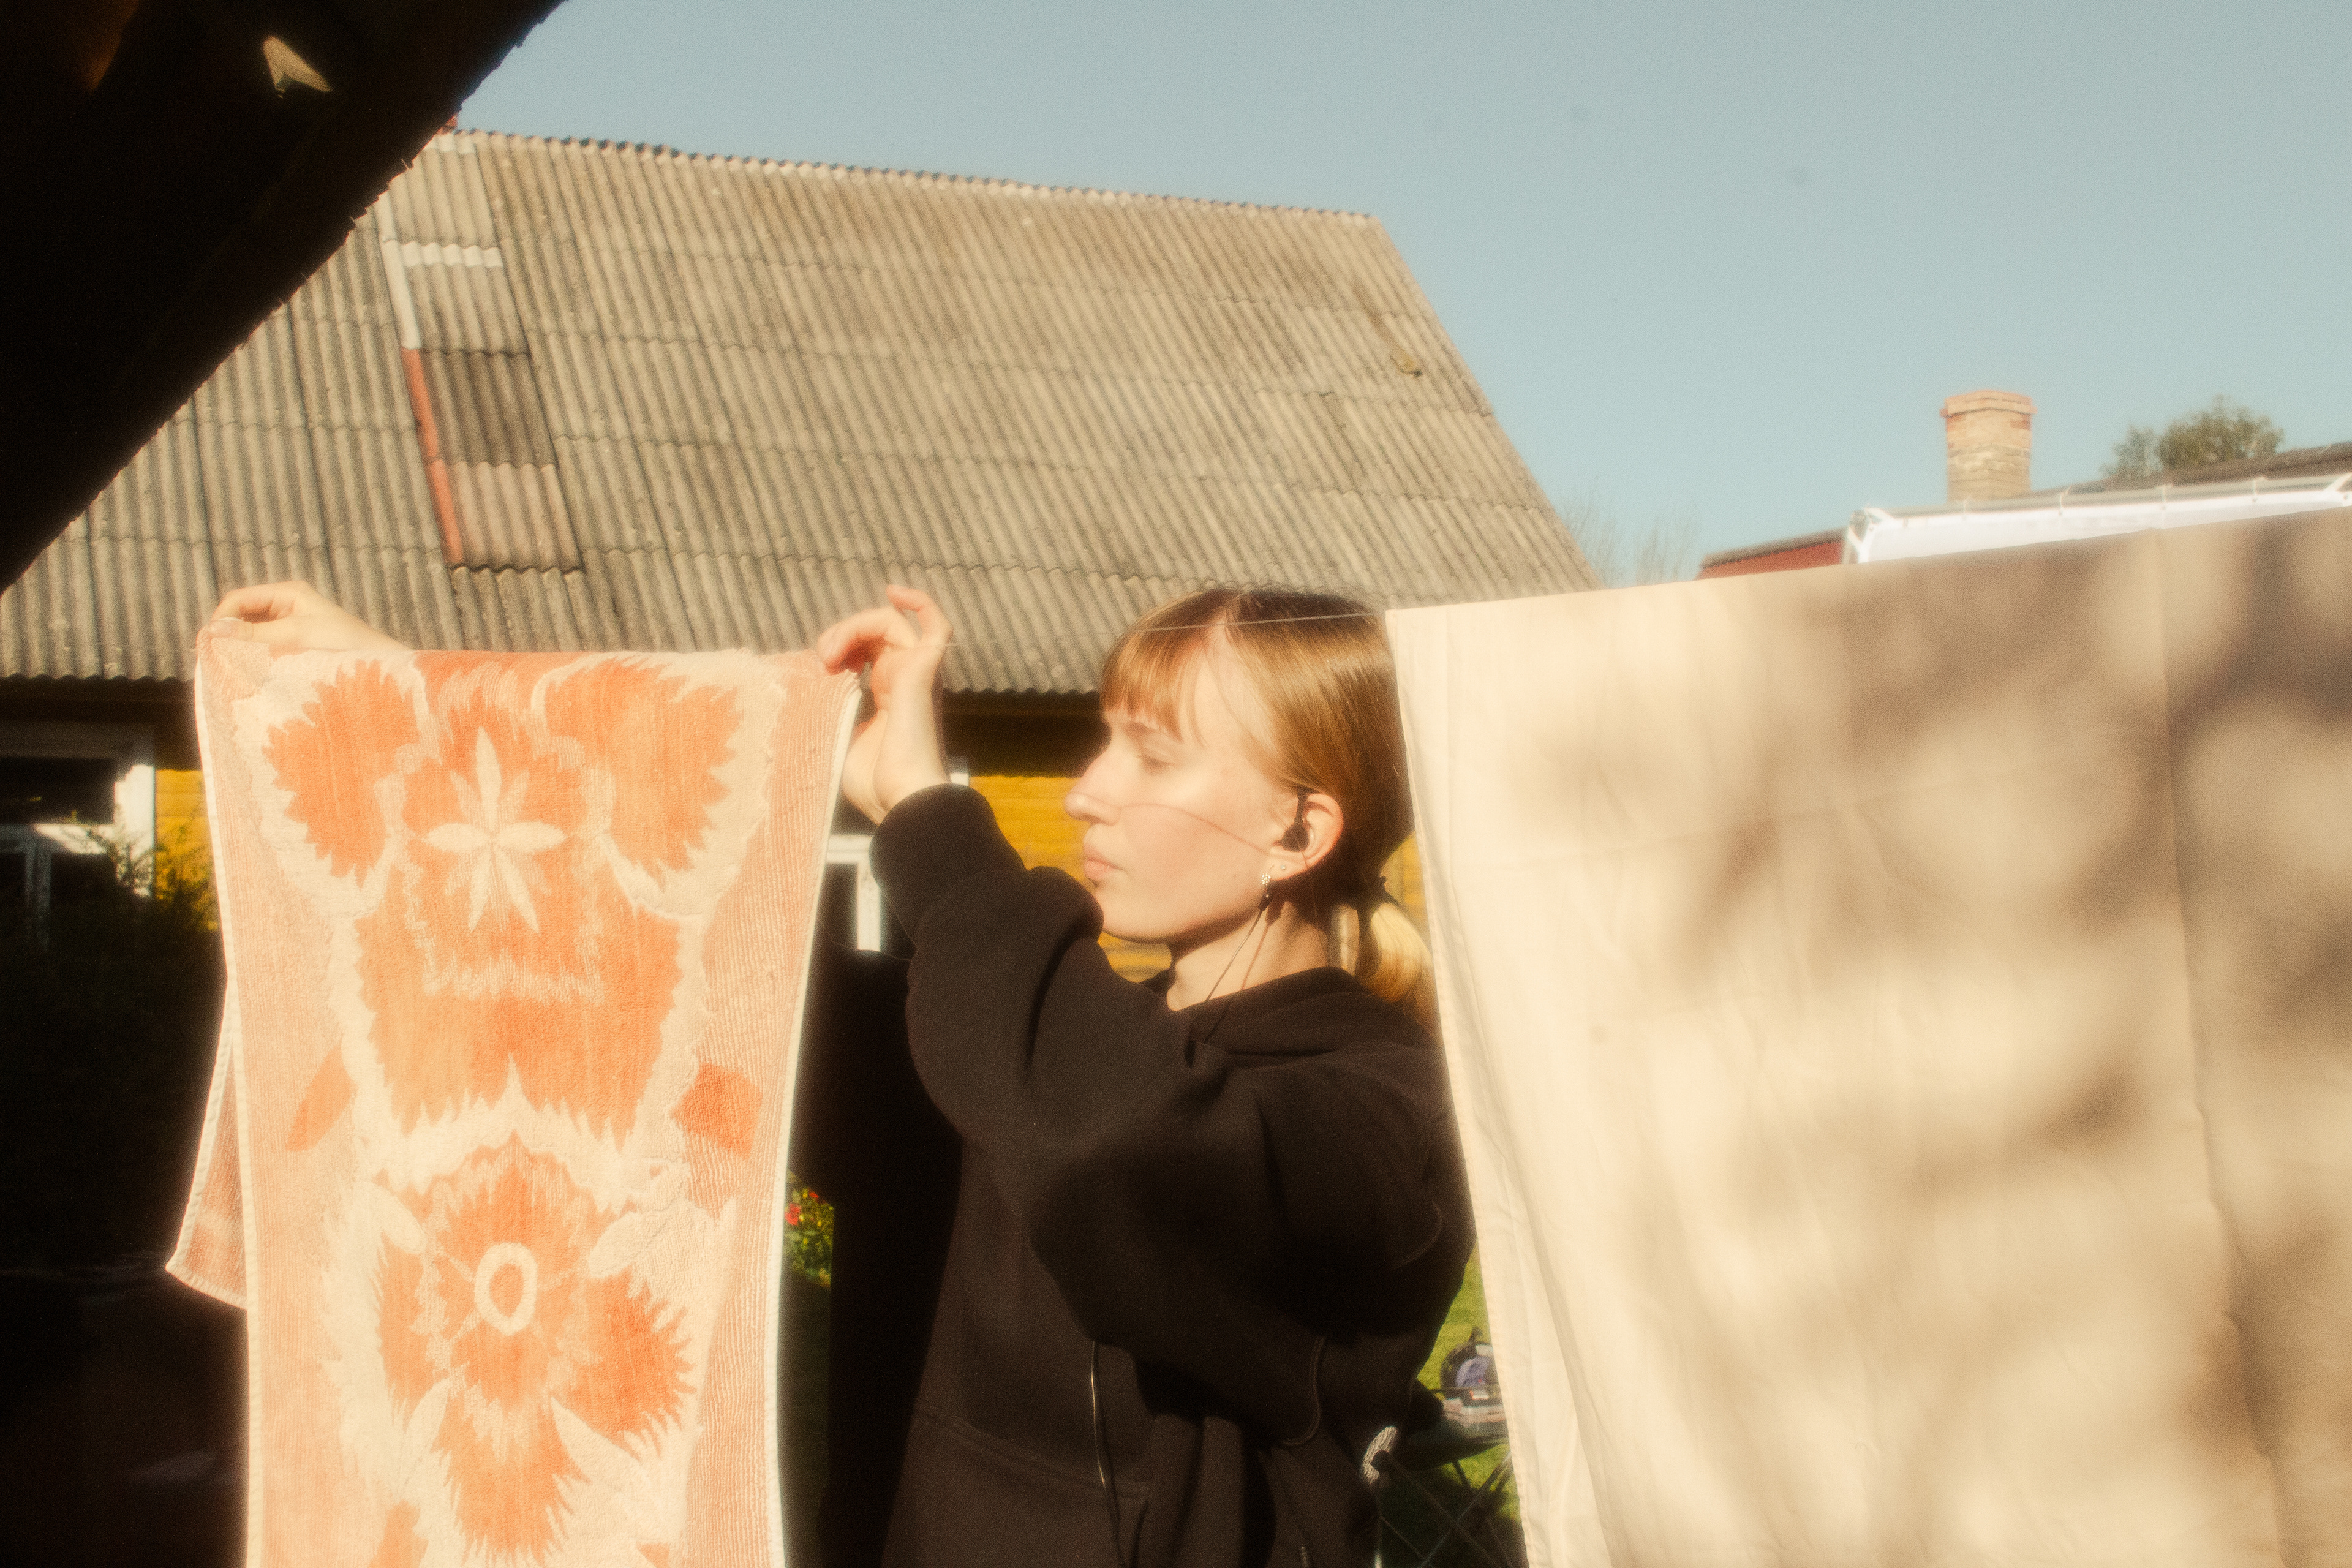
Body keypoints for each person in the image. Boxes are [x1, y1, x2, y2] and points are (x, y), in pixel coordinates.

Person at [209, 579, 1474, 1568]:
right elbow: (672, 987)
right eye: (1105, 742)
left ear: (1298, 829)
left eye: (1152, 754)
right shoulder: (1042, 1036)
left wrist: (931, 815)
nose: (1088, 791)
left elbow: (1108, 1144)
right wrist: (411, 699)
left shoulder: (1385, 1119)